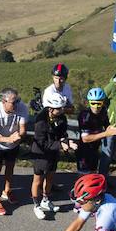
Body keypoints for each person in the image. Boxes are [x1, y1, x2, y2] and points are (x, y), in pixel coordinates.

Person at [29, 91, 75, 219]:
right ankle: (36, 205)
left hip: (53, 153)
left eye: (61, 108)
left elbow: (63, 134)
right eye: (58, 108)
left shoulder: (61, 117)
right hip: (41, 154)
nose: (61, 110)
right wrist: (60, 145)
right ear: (50, 109)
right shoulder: (40, 121)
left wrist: (67, 142)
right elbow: (42, 143)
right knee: (38, 180)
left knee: (50, 177)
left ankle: (45, 200)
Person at [0, 88, 29, 216]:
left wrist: (19, 137)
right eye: (13, 102)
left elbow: (23, 129)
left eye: (17, 101)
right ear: (3, 101)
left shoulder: (21, 107)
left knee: (10, 167)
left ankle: (7, 190)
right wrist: (8, 139)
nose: (16, 104)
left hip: (13, 144)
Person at [75, 86, 116, 175]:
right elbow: (85, 139)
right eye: (93, 103)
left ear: (102, 103)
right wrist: (106, 133)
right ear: (89, 102)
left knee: (93, 175)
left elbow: (106, 125)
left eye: (99, 103)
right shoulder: (84, 116)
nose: (96, 107)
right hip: (84, 151)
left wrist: (110, 128)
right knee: (84, 178)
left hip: (95, 149)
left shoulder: (103, 111)